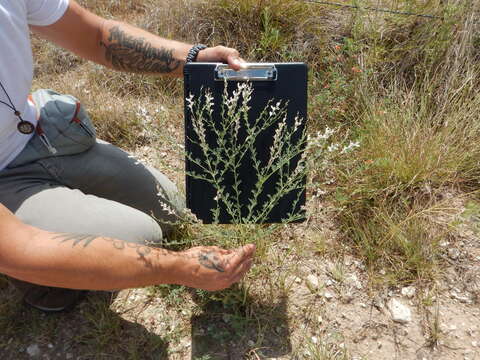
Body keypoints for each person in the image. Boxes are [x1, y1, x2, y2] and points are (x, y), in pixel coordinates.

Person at [0, 0, 255, 313]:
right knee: (142, 239)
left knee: (170, 208)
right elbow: (17, 248)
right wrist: (181, 268)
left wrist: (195, 59)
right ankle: (44, 288)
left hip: (35, 132)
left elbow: (97, 35)